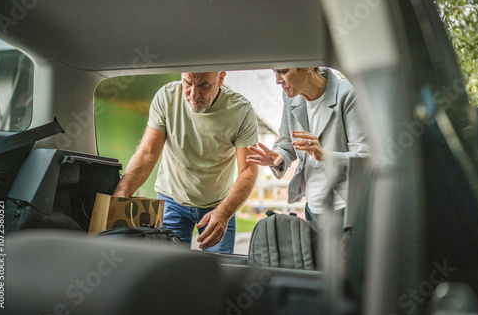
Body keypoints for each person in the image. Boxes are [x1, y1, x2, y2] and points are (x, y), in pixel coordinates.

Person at [114, 71, 259, 253]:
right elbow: (147, 153)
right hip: (172, 200)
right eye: (187, 83)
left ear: (221, 78)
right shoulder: (166, 98)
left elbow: (248, 170)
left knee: (218, 270)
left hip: (219, 204)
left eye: (204, 85)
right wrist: (121, 193)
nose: (193, 94)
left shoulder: (241, 110)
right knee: (167, 269)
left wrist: (224, 213)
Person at [246, 67, 370, 224]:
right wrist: (278, 156)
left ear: (308, 66)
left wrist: (325, 155)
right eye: (274, 73)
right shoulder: (290, 97)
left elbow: (364, 157)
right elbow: (286, 143)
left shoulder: (348, 93)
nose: (278, 80)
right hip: (312, 208)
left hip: (346, 207)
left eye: (284, 72)